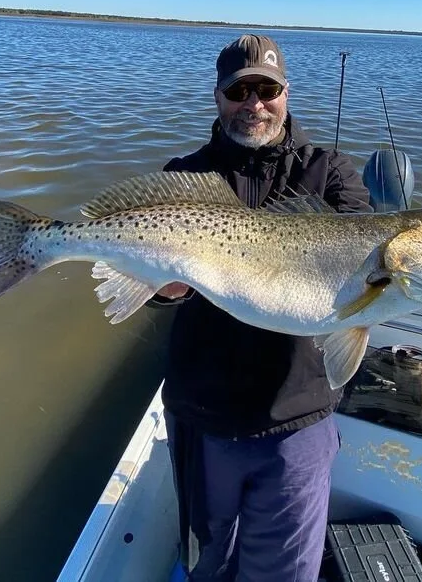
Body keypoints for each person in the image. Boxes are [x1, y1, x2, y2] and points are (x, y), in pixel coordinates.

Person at [149, 34, 372, 582]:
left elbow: (367, 247)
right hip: (201, 417)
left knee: (283, 573)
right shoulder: (186, 174)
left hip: (295, 419)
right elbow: (149, 286)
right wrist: (162, 287)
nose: (254, 104)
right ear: (218, 97)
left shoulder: (330, 171)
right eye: (239, 90)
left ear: (285, 93)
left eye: (266, 89)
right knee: (207, 565)